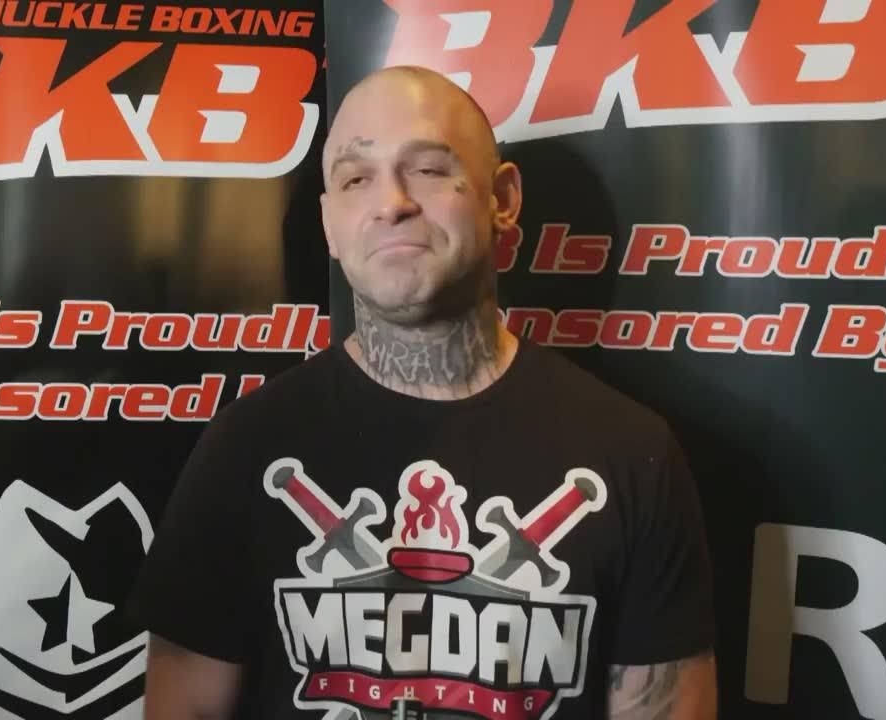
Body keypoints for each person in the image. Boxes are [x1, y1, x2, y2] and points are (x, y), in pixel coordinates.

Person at [125, 65, 717, 720]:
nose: (392, 202)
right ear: (329, 223)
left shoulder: (631, 455)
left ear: (502, 198)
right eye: (356, 179)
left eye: (430, 169)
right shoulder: (244, 448)